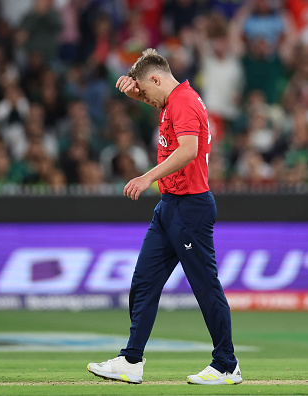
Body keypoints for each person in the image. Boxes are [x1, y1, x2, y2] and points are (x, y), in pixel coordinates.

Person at [87, 48, 242, 385]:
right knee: (144, 282)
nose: (146, 98)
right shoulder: (175, 101)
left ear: (157, 79)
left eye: (146, 89)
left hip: (189, 207)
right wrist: (136, 94)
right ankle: (131, 360)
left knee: (205, 287)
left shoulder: (183, 102)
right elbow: (166, 114)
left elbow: (188, 150)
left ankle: (227, 365)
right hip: (170, 206)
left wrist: (147, 177)